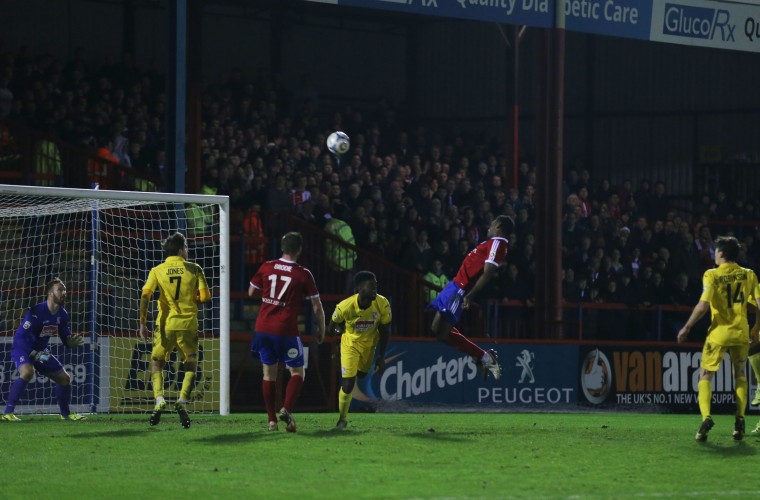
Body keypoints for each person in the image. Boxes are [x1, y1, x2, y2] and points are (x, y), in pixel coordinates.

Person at [677, 236, 760, 442]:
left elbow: (703, 306)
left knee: (706, 376)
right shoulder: (749, 275)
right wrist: (757, 327)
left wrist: (687, 327)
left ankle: (706, 417)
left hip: (719, 334)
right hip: (741, 333)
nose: (714, 254)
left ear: (721, 253)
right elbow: (759, 303)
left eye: (715, 251)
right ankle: (740, 420)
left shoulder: (711, 275)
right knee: (740, 375)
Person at [248, 231, 326, 432]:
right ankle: (287, 409)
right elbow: (316, 306)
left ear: (282, 248)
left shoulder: (267, 266)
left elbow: (251, 292)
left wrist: (268, 297)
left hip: (263, 328)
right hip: (286, 331)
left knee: (268, 374)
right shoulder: (303, 273)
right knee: (297, 371)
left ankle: (272, 421)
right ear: (299, 249)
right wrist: (322, 328)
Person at [139, 232, 211, 428]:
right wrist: (192, 297)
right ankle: (181, 401)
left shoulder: (157, 270)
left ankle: (159, 399)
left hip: (166, 326)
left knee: (156, 363)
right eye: (186, 247)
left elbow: (145, 296)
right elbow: (205, 297)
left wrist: (142, 322)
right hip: (188, 325)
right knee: (190, 365)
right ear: (181, 250)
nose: (187, 251)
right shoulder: (195, 269)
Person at [429, 214, 514, 380]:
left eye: (493, 224)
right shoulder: (492, 243)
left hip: (460, 289)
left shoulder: (498, 243)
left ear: (500, 227)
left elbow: (488, 273)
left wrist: (470, 295)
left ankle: (483, 357)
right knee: (435, 330)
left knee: (442, 333)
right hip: (454, 285)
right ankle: (481, 356)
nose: (490, 226)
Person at [2, 278, 87, 421]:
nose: (64, 292)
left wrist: (69, 342)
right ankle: (8, 413)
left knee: (65, 378)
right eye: (60, 289)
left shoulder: (62, 314)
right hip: (23, 349)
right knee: (28, 372)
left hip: (41, 352)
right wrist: (33, 353)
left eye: (65, 289)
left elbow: (65, 337)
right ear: (50, 293)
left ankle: (65, 414)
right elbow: (20, 338)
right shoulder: (36, 311)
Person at [328, 271, 391, 429]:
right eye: (371, 286)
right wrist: (340, 331)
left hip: (369, 346)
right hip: (350, 345)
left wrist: (381, 356)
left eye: (376, 285)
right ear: (359, 288)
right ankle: (342, 419)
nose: (375, 289)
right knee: (348, 384)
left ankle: (350, 374)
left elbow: (385, 330)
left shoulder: (382, 303)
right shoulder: (345, 306)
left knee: (362, 376)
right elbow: (331, 328)